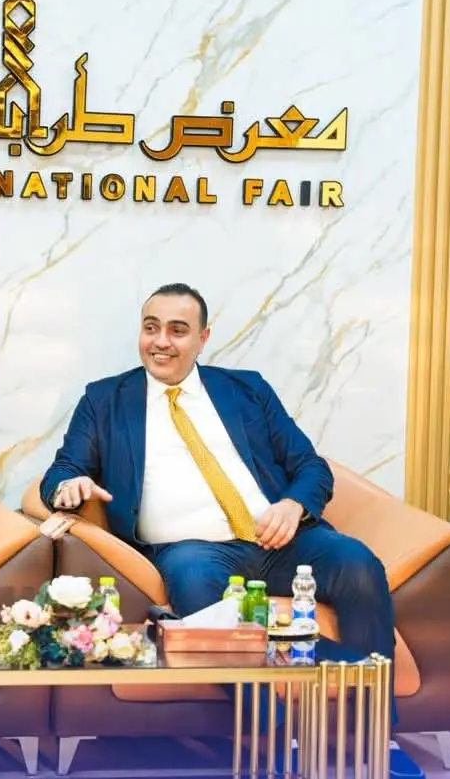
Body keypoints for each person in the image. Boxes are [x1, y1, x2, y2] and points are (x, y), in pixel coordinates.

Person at [39, 283, 396, 718]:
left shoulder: (246, 390)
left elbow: (310, 466)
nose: (161, 341)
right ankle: (270, 727)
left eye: (177, 330)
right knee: (195, 582)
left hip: (280, 540)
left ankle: (374, 724)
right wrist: (69, 486)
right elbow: (61, 470)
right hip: (191, 551)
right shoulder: (105, 400)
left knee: (357, 562)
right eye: (151, 328)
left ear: (203, 337)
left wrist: (292, 506)